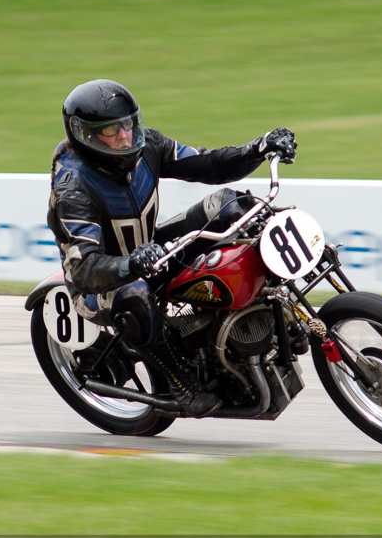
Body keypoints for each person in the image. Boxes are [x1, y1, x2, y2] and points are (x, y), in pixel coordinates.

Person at [47, 79, 296, 417]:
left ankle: (278, 313)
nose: (125, 136)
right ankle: (180, 385)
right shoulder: (74, 189)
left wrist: (259, 147)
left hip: (152, 253)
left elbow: (209, 165)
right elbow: (83, 268)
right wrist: (130, 265)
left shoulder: (148, 145)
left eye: (127, 124)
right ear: (87, 135)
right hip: (102, 283)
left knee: (230, 205)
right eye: (111, 130)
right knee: (133, 293)